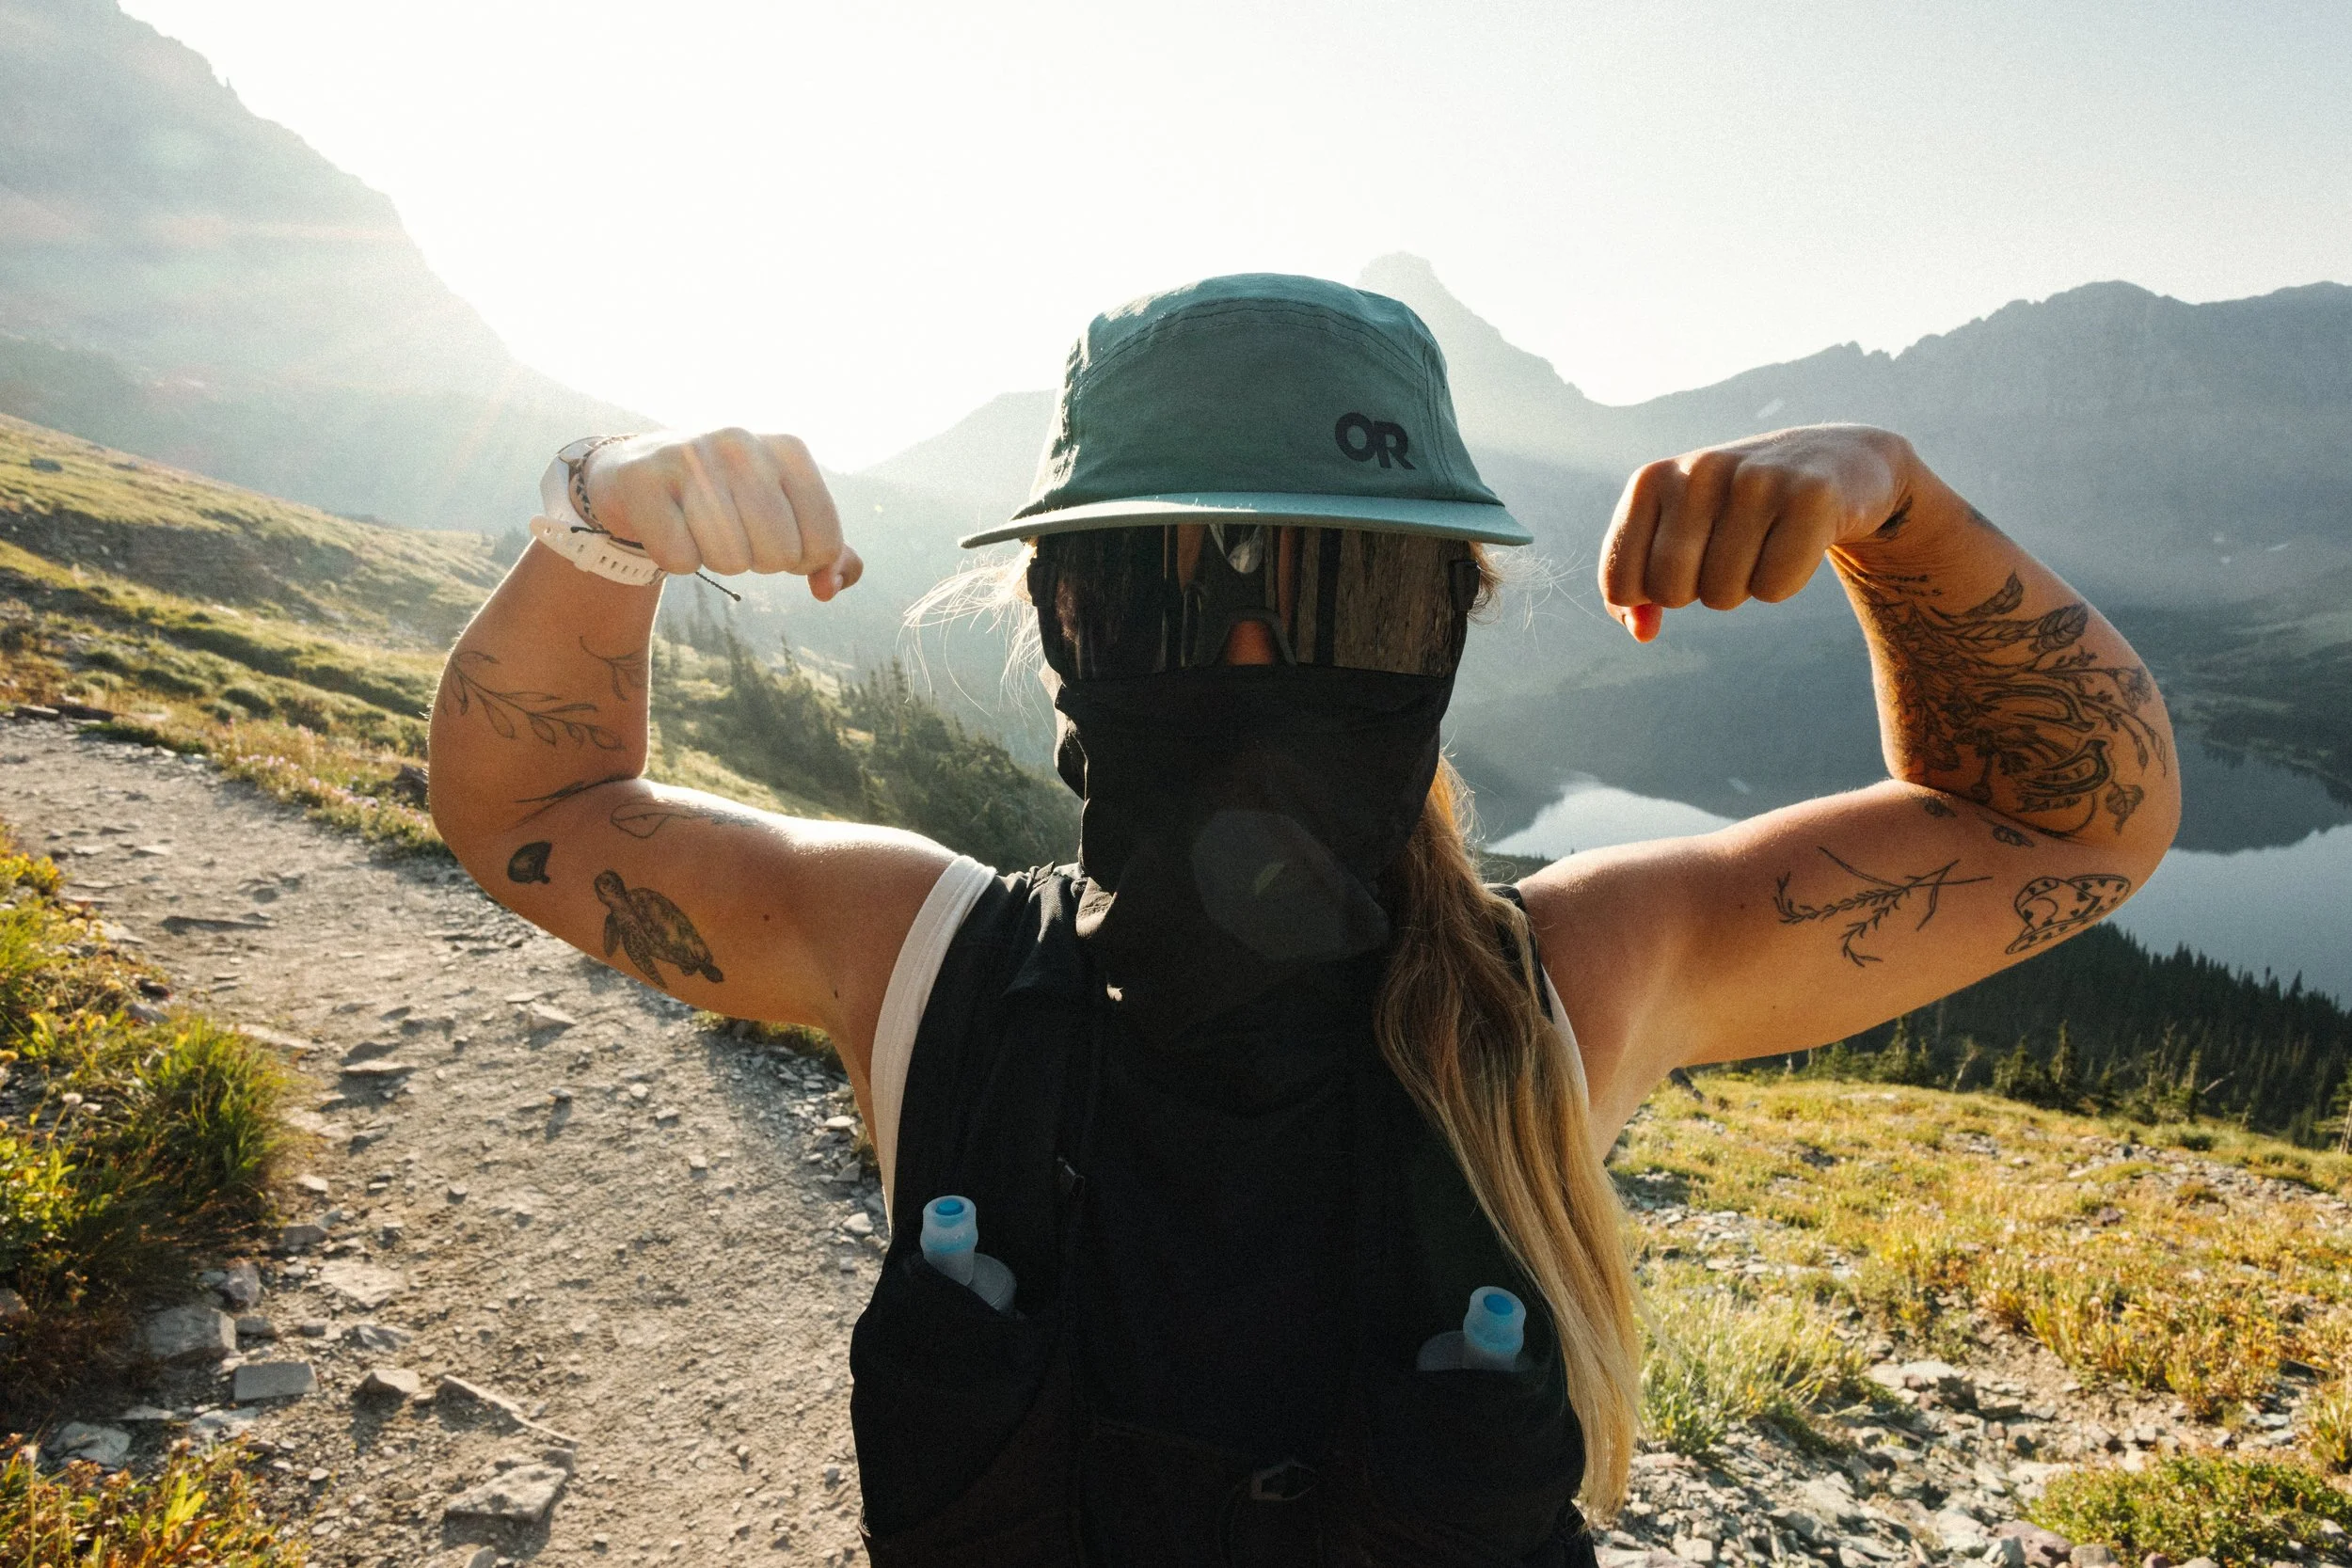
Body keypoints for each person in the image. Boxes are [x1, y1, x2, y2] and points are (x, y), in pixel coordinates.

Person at [429, 274, 2179, 1566]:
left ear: (1440, 633)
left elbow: (2070, 823)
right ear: (1063, 625)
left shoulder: (1561, 986)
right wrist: (600, 520)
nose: (1257, 663)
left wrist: (1900, 507)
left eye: (1344, 585)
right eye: (1166, 586)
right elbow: (531, 812)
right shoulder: (921, 959)